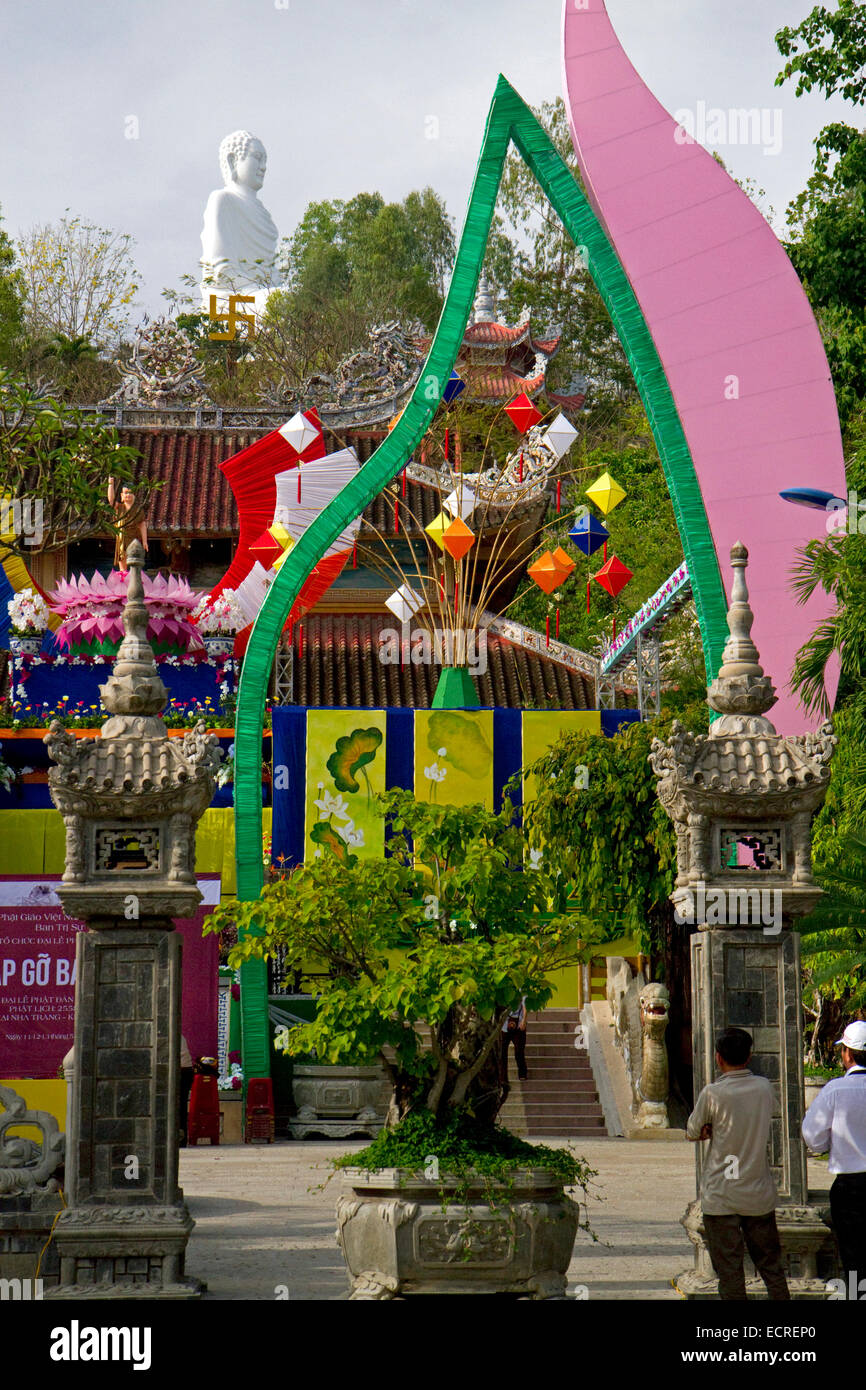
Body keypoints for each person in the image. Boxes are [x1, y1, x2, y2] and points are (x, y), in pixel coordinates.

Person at [687, 1026, 789, 1300]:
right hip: (757, 1193)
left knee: (730, 1274)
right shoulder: (764, 1087)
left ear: (719, 1058)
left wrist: (709, 1128)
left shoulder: (713, 1093)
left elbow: (692, 1130)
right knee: (772, 1268)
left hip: (722, 1194)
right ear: (749, 1056)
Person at [802, 1020, 866, 1283]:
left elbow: (812, 1134)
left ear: (847, 1053)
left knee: (852, 1258)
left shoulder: (836, 1090)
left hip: (850, 1186)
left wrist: (830, 1147)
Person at [108, 476, 147, 572]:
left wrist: (145, 541)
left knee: (134, 561)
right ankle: (123, 576)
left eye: (130, 493)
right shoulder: (119, 508)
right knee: (122, 562)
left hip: (134, 538)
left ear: (134, 495)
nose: (128, 495)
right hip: (122, 538)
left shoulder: (138, 510)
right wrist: (111, 483)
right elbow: (111, 500)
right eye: (126, 493)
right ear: (121, 495)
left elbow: (142, 524)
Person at [500, 996, 528, 1085]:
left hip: (518, 1024)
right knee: (502, 1053)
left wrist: (524, 1020)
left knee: (519, 1051)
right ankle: (503, 1077)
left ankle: (522, 1073)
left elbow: (525, 1005)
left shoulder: (522, 989)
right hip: (504, 1025)